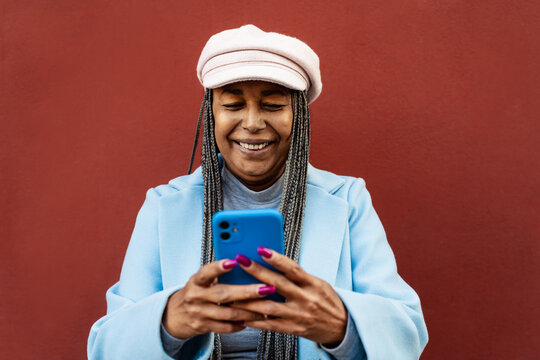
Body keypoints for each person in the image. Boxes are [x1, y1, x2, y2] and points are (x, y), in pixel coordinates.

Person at [88, 25, 428, 360]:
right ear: (212, 114)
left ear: (299, 116)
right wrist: (168, 323)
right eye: (233, 105)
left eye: (274, 105)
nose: (252, 123)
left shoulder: (348, 199)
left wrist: (341, 326)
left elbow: (407, 337)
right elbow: (106, 349)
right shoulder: (164, 205)